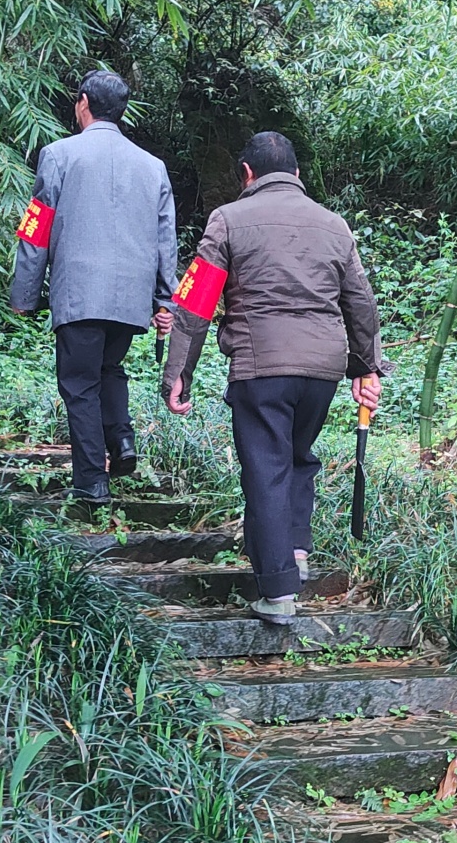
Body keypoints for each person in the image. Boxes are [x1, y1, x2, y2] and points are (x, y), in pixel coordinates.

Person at [163, 131, 384, 625]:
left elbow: (194, 302)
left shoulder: (227, 220)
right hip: (322, 369)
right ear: (298, 175)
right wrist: (366, 366)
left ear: (247, 173)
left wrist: (179, 370)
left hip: (260, 365)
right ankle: (297, 550)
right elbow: (361, 302)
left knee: (265, 468)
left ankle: (279, 591)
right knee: (298, 457)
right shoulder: (333, 224)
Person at [10, 70, 176, 502]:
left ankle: (90, 480)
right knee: (108, 368)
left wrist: (24, 294)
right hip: (132, 296)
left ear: (83, 102)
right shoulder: (152, 166)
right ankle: (121, 442)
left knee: (80, 382)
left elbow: (36, 228)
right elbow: (165, 240)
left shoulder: (58, 154)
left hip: (80, 291)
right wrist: (165, 300)